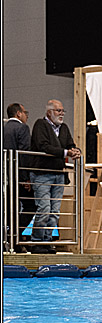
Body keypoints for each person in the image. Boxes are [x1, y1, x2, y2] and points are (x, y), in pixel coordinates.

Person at [29, 99, 81, 253]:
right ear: (49, 112)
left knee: (55, 211)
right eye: (58, 111)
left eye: (62, 111)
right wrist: (66, 152)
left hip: (58, 174)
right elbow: (43, 146)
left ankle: (47, 241)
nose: (61, 114)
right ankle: (37, 241)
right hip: (42, 174)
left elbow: (70, 144)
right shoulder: (40, 125)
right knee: (44, 208)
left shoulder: (64, 128)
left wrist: (75, 150)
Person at [3, 103, 33, 252]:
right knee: (30, 206)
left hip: (5, 176)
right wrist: (25, 178)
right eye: (25, 112)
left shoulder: (4, 128)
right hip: (17, 176)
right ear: (18, 114)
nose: (27, 115)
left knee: (8, 209)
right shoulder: (22, 128)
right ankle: (15, 238)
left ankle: (7, 238)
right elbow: (24, 154)